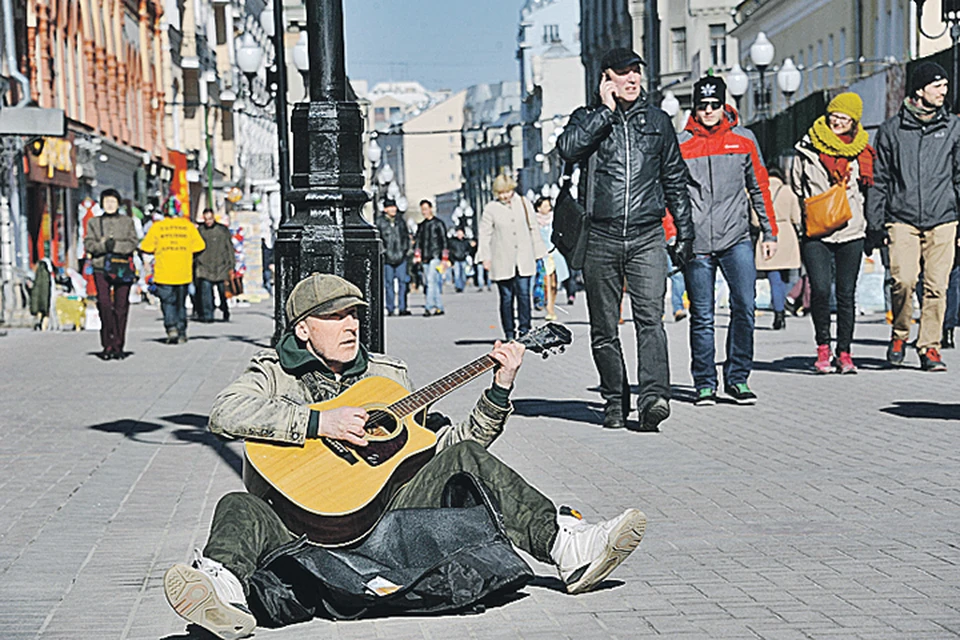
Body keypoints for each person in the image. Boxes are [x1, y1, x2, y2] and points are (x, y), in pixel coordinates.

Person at [161, 273, 647, 638]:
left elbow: (452, 448)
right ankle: (223, 597)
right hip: (298, 522)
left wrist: (499, 389)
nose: (351, 325)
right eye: (335, 317)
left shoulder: (388, 376)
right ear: (304, 330)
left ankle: (568, 546)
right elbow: (226, 412)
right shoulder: (273, 373)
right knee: (237, 505)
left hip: (384, 513)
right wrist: (318, 422)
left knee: (468, 462)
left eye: (354, 314)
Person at [557, 47, 693, 431]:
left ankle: (654, 398)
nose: (632, 79)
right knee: (604, 329)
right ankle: (615, 401)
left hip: (647, 236)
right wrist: (604, 112)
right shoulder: (587, 119)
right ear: (606, 80)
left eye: (636, 72)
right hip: (600, 236)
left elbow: (675, 179)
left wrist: (685, 232)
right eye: (622, 73)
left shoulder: (659, 122)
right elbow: (567, 150)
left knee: (651, 319)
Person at [677, 75, 777, 407]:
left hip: (737, 239)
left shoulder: (743, 140)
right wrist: (672, 232)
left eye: (714, 105)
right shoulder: (682, 143)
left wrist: (769, 231)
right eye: (702, 106)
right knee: (702, 316)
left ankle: (738, 378)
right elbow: (669, 193)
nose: (708, 111)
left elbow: (760, 186)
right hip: (698, 244)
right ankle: (705, 383)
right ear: (695, 107)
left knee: (745, 307)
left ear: (724, 106)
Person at [867, 61, 960, 372]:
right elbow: (880, 180)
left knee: (937, 286)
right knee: (903, 281)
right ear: (920, 90)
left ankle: (929, 347)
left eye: (945, 86)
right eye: (937, 86)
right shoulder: (892, 131)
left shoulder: (953, 128)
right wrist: (874, 223)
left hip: (943, 217)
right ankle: (900, 334)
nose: (943, 91)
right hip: (902, 218)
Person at [792, 93, 874, 373]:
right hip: (816, 231)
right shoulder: (808, 146)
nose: (837, 121)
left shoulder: (862, 151)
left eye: (844, 118)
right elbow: (796, 186)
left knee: (846, 294)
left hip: (851, 230)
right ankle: (823, 348)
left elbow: (869, 190)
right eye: (834, 115)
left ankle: (845, 352)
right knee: (821, 290)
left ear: (854, 122)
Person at [476, 174, 547, 340]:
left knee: (524, 294)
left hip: (523, 257)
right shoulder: (491, 209)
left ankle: (525, 330)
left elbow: (533, 228)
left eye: (507, 192)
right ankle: (509, 332)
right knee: (506, 298)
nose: (504, 196)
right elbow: (484, 234)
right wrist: (485, 257)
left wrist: (539, 252)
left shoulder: (523, 203)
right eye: (500, 193)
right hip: (502, 258)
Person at [83, 189, 139, 359]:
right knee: (105, 304)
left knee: (121, 308)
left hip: (122, 268)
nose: (109, 205)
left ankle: (119, 345)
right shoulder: (94, 222)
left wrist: (114, 246)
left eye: (113, 201)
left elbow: (133, 243)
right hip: (101, 268)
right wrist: (103, 246)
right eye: (106, 201)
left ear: (118, 203)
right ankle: (107, 344)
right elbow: (89, 244)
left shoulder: (127, 221)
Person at [139, 205, 206, 344]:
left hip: (164, 273)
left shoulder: (158, 227)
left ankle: (171, 328)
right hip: (183, 272)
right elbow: (200, 246)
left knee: (168, 302)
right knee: (180, 304)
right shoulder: (188, 227)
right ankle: (182, 332)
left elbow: (146, 247)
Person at [755, 166, 801, 331]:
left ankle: (778, 313)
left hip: (768, 234)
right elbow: (796, 217)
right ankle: (785, 305)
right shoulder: (788, 191)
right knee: (788, 276)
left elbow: (754, 220)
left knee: (774, 278)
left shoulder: (761, 191)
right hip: (787, 234)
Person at [195, 208, 234, 323]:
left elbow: (229, 248)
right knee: (206, 293)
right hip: (204, 266)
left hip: (221, 266)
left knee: (223, 292)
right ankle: (208, 315)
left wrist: (231, 265)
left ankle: (225, 309)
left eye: (210, 219)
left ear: (214, 218)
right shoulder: (200, 231)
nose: (208, 221)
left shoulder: (222, 230)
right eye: (206, 219)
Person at [533, 196, 569, 321]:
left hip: (554, 253)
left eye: (548, 206)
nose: (546, 208)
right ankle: (548, 308)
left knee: (554, 283)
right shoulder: (534, 221)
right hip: (541, 255)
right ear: (538, 207)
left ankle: (551, 304)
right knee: (544, 282)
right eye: (544, 206)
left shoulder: (554, 219)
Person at [376, 198, 412, 316]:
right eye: (390, 207)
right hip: (387, 259)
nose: (393, 209)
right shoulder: (380, 222)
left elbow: (406, 237)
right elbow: (379, 240)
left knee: (403, 283)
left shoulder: (400, 221)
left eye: (394, 207)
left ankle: (402, 307)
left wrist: (405, 250)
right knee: (389, 284)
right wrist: (384, 252)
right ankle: (390, 308)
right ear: (385, 209)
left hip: (401, 257)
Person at [415, 200, 447, 316]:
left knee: (430, 281)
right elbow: (418, 241)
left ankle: (428, 307)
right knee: (431, 282)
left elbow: (444, 241)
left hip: (435, 256)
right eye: (422, 209)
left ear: (431, 209)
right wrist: (417, 255)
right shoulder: (422, 225)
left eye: (426, 209)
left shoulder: (438, 224)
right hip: (425, 258)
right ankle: (439, 306)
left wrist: (444, 258)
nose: (424, 212)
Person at [448, 226, 473, 293]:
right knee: (457, 275)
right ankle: (458, 287)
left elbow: (470, 250)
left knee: (463, 275)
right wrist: (451, 260)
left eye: (461, 233)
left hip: (463, 260)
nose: (459, 235)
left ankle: (462, 286)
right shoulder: (453, 242)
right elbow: (450, 251)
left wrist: (467, 255)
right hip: (456, 260)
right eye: (458, 233)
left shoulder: (466, 242)